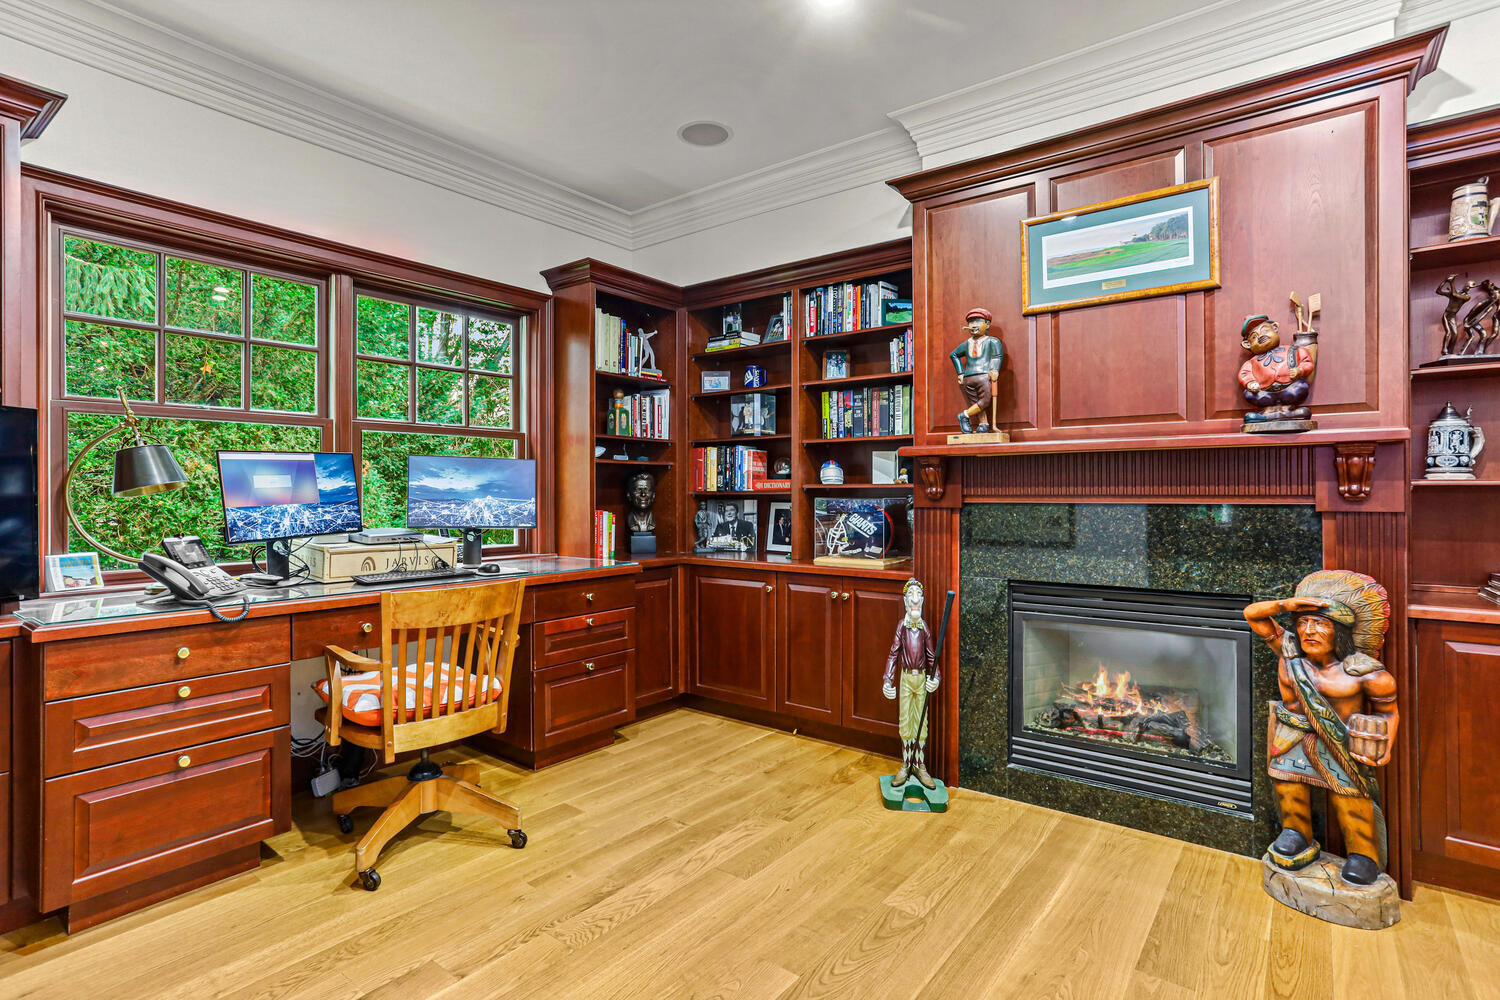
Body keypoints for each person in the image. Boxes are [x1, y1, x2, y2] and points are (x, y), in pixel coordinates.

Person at [1243, 570, 1397, 886]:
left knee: (1350, 798)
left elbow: (1388, 712)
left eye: (1320, 624)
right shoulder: (1288, 651)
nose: (1309, 631)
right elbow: (1252, 614)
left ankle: (1363, 855)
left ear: (1339, 632)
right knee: (1289, 792)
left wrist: (1386, 745)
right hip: (1289, 736)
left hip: (1337, 741)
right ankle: (1296, 835)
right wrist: (1288, 604)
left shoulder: (1364, 673)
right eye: (1303, 624)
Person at [882, 579, 939, 789]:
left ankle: (919, 764)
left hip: (921, 678)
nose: (915, 599)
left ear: (921, 601)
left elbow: (932, 658)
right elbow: (893, 654)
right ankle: (906, 764)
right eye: (911, 596)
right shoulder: (902, 626)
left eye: (918, 596)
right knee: (906, 721)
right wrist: (888, 679)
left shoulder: (924, 628)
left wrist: (936, 678)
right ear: (906, 602)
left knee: (921, 723)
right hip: (906, 678)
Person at [1238, 314, 1316, 424]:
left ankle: (1287, 409)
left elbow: (1306, 362)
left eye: (1265, 330)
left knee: (1301, 386)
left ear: (1275, 328)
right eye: (1254, 337)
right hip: (1265, 393)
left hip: (1289, 388)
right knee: (1249, 394)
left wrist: (1300, 370)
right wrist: (1250, 383)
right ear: (1247, 344)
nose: (1260, 336)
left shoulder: (1293, 350)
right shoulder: (1251, 362)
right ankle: (1268, 412)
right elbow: (1245, 373)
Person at [947, 307, 1004, 433]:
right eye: (971, 322)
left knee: (985, 400)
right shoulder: (966, 344)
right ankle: (983, 424)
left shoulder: (992, 341)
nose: (973, 325)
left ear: (987, 324)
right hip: (968, 377)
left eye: (977, 321)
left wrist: (994, 369)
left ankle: (964, 415)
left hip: (984, 376)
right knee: (976, 402)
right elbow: (953, 355)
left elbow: (996, 356)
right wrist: (961, 373)